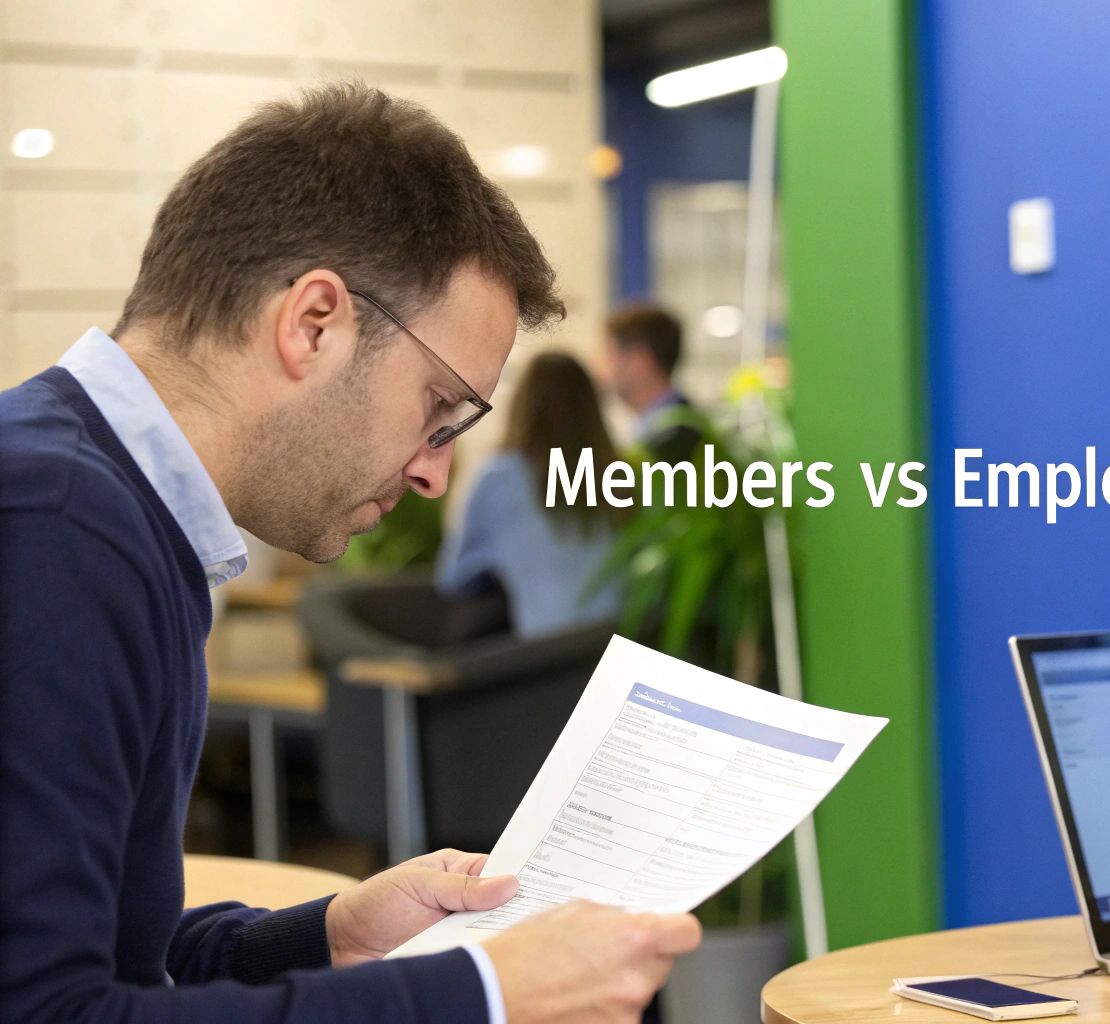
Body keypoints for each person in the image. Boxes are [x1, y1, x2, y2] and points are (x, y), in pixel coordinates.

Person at [0, 82, 699, 1023]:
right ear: (314, 324)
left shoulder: (105, 511)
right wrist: (483, 994)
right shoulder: (55, 528)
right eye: (439, 408)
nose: (435, 475)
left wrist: (328, 938)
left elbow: (114, 962)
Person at [438, 350, 629, 637]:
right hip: (621, 648)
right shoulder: (620, 475)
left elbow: (454, 579)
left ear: (523, 405)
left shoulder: (500, 477)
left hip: (546, 654)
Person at [601, 303, 705, 462]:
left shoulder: (673, 438)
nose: (600, 368)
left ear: (640, 361)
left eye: (609, 356)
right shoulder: (663, 426)